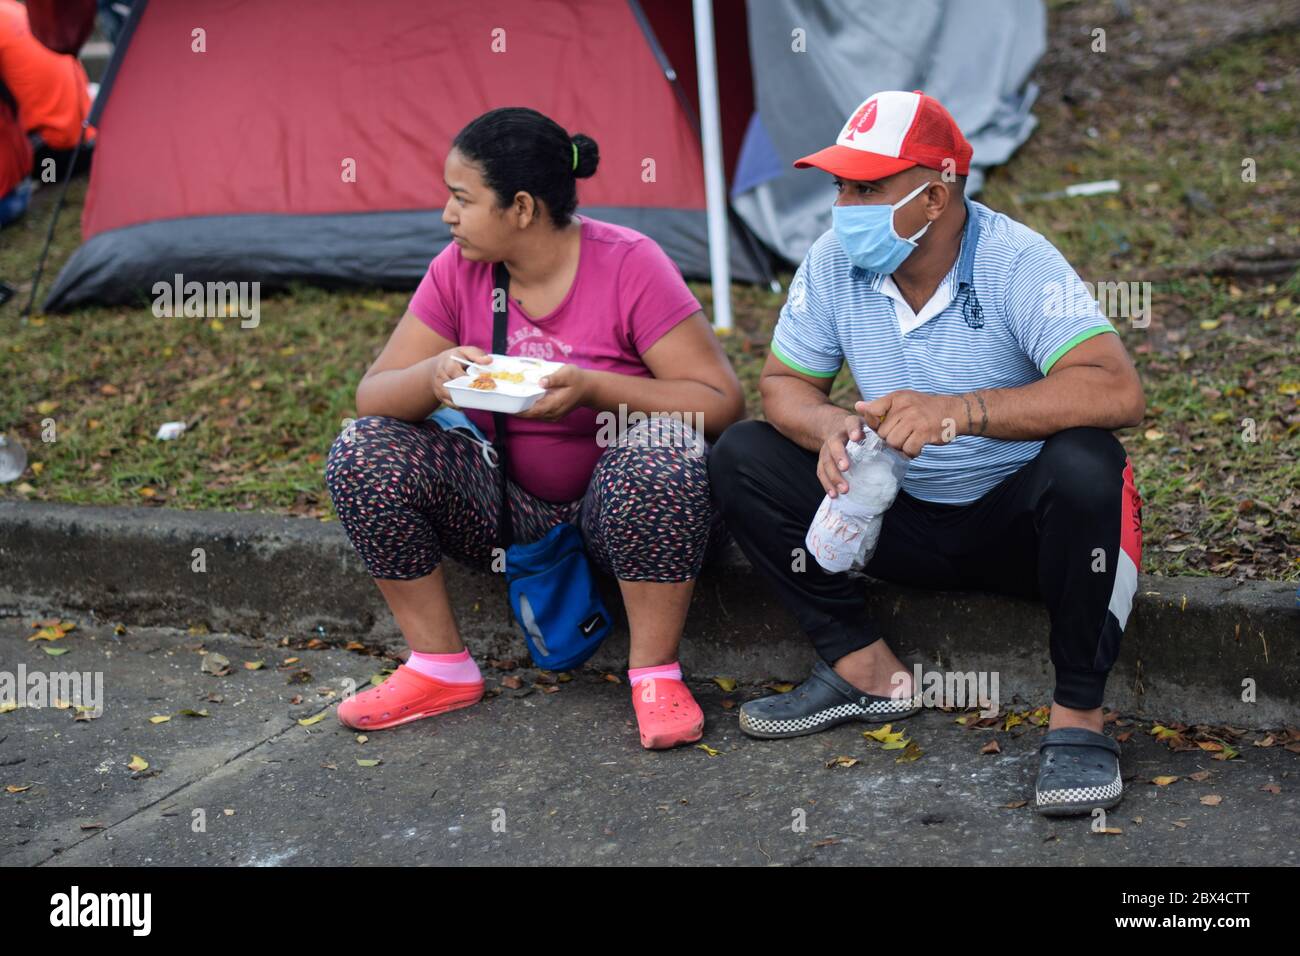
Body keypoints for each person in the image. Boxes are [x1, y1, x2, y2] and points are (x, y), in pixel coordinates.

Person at [708, 91, 1145, 816]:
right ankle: (864, 671)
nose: (844, 206)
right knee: (743, 452)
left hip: (1019, 536)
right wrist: (827, 428)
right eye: (840, 186)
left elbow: (1116, 389)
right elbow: (783, 385)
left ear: (935, 195)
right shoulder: (832, 261)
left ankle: (1078, 721)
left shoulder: (1016, 259)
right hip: (895, 520)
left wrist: (961, 414)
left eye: (866, 188)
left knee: (1088, 464)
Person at [325, 107, 745, 750]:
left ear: (521, 207)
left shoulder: (631, 263)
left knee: (663, 456)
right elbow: (372, 395)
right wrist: (435, 374)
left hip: (623, 509)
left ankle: (655, 674)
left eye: (462, 199)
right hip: (507, 510)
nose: (447, 215)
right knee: (364, 451)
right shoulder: (457, 270)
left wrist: (596, 389)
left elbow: (718, 404)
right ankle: (438, 666)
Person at [0, 0, 96, 182]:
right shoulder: (11, 8)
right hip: (88, 141)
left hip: (50, 157)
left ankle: (46, 183)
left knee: (48, 175)